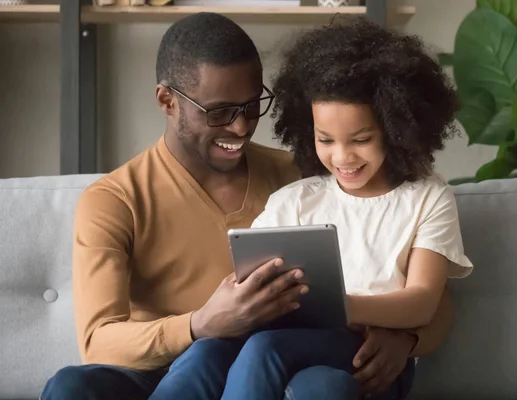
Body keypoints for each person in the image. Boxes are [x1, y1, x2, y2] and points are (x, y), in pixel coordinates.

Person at [41, 12, 455, 400]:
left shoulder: (308, 179)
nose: (240, 127)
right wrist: (200, 325)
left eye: (252, 105)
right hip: (166, 368)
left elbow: (425, 296)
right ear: (168, 101)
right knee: (71, 386)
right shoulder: (114, 200)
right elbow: (98, 342)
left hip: (267, 360)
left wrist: (404, 339)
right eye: (220, 112)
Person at [215, 16, 474, 400]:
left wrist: (339, 308)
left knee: (266, 349)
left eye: (361, 139)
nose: (342, 157)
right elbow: (253, 283)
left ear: (397, 128)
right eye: (325, 139)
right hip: (301, 348)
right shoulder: (295, 200)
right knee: (315, 386)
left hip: (374, 354)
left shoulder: (427, 198)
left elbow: (421, 302)